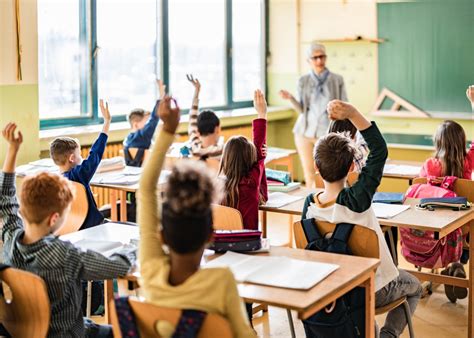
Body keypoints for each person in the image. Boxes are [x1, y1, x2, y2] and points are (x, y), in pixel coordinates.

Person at [0, 122, 135, 338]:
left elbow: (5, 198)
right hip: (68, 333)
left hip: (22, 332)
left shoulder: (9, 237)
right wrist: (132, 248)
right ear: (55, 218)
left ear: (23, 209)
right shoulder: (65, 254)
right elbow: (119, 267)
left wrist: (13, 150)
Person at [137, 96, 255, 338]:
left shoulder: (150, 270)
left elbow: (146, 188)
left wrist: (167, 130)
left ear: (162, 236)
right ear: (211, 236)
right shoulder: (221, 283)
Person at [302, 101, 422, 338]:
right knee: (415, 288)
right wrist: (354, 113)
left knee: (362, 304)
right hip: (371, 289)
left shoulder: (309, 205)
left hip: (333, 290)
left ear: (316, 166)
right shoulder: (358, 199)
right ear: (351, 166)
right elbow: (380, 150)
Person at [280, 42, 347, 188]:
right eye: (315, 58)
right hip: (303, 132)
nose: (319, 61)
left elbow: (344, 106)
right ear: (308, 60)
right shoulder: (303, 80)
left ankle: (326, 202)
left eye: (322, 57)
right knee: (309, 172)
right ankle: (311, 205)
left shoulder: (337, 80)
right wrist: (290, 98)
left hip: (326, 133)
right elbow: (302, 110)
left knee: (326, 172)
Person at [49, 99, 111, 229]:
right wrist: (106, 123)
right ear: (72, 158)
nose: (82, 158)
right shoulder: (79, 174)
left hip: (72, 228)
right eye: (80, 155)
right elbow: (95, 154)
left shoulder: (55, 181)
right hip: (94, 226)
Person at [219, 90, 268, 230]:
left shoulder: (216, 187)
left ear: (225, 159)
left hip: (221, 244)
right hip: (248, 244)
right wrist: (262, 114)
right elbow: (259, 148)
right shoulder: (251, 182)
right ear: (250, 160)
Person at [123, 79, 165, 167]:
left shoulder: (127, 139)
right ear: (135, 124)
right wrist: (161, 95)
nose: (147, 125)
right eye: (146, 123)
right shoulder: (142, 135)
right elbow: (154, 118)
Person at [187, 74, 224, 159]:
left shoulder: (194, 147)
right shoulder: (222, 151)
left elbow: (192, 120)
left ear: (198, 131)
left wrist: (197, 91)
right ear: (217, 129)